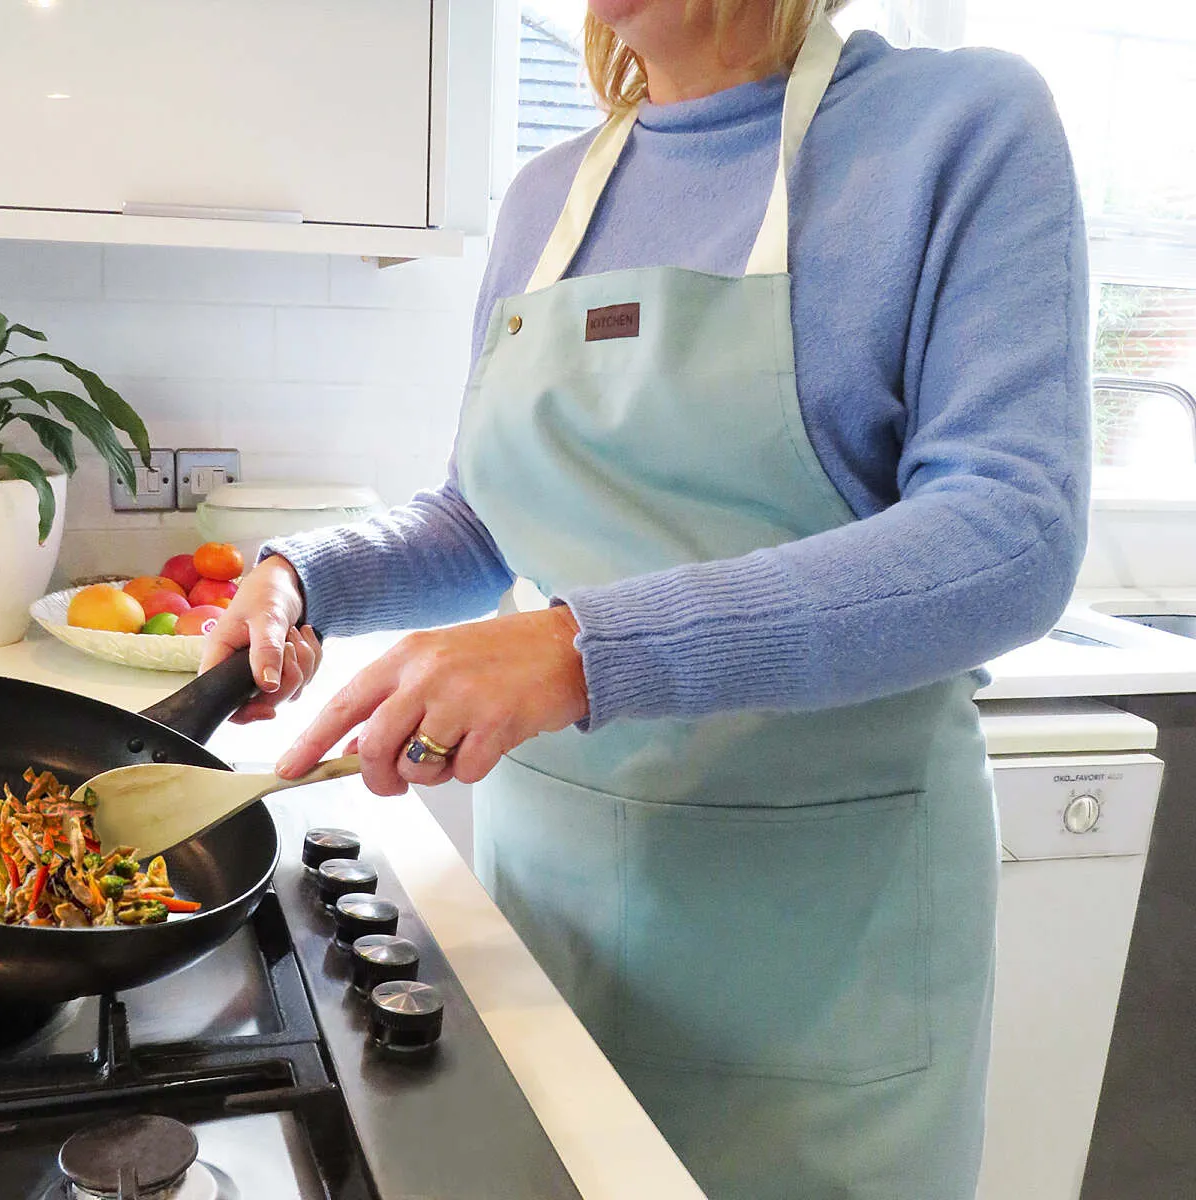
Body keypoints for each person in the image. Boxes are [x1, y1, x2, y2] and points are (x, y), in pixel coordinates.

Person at [203, 1, 1090, 1195]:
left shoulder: (961, 128)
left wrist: (581, 648)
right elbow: (480, 518)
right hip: (549, 929)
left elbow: (1012, 531)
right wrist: (299, 572)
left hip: (819, 962)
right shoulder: (547, 197)